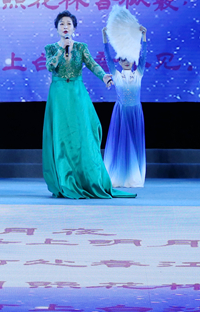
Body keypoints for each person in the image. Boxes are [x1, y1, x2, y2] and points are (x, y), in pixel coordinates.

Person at [42, 11, 135, 199]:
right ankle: (65, 180)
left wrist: (104, 77)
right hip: (59, 95)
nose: (65, 27)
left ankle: (86, 179)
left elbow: (92, 64)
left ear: (74, 28)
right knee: (61, 135)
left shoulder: (81, 47)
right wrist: (61, 50)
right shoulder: (51, 48)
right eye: (62, 24)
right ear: (57, 28)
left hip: (77, 93)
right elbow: (50, 66)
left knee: (83, 133)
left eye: (69, 23)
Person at [102, 24, 148, 188]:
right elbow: (108, 58)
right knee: (120, 145)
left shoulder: (138, 74)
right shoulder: (116, 75)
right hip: (121, 113)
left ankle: (133, 175)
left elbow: (144, 56)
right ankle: (119, 176)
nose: (126, 62)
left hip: (135, 112)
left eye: (129, 58)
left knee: (134, 144)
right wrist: (105, 37)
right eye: (122, 59)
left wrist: (143, 37)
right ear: (119, 61)